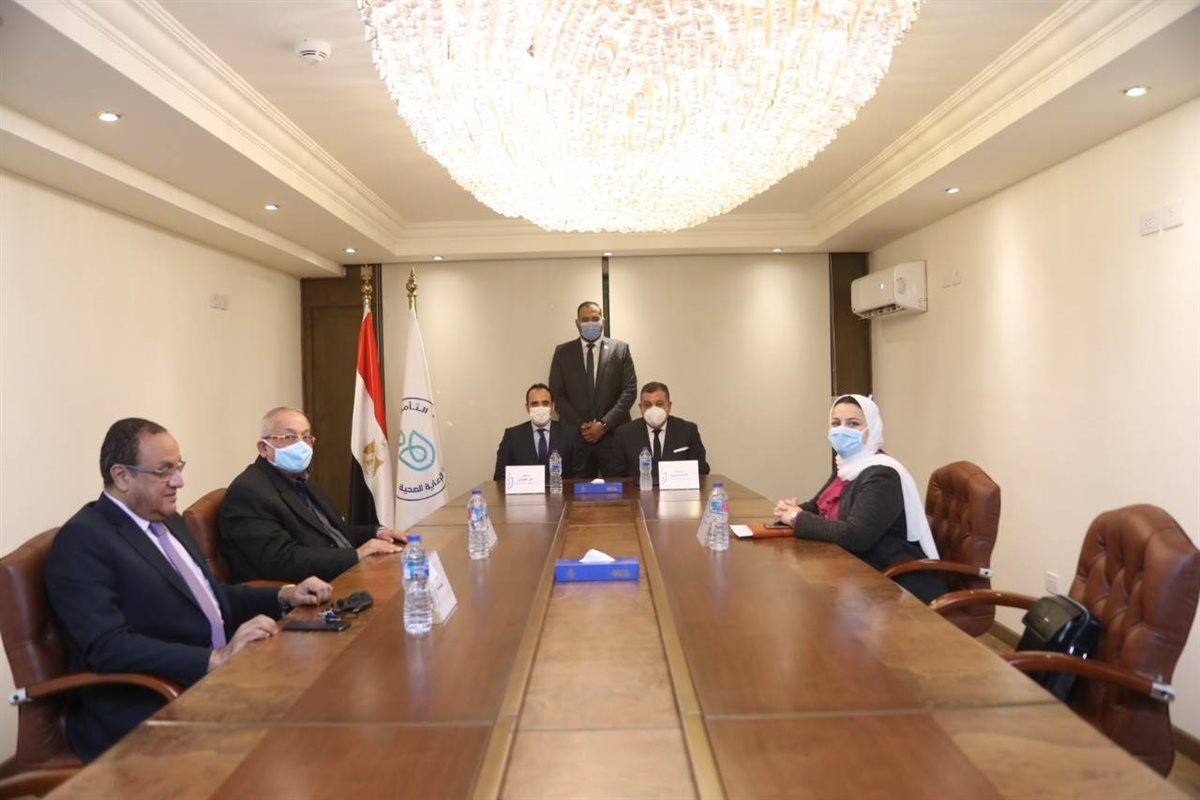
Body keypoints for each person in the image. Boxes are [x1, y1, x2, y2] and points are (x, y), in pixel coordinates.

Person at [44, 418, 333, 762]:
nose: (178, 481)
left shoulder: (168, 519)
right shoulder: (84, 540)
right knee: (291, 741)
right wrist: (214, 659)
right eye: (163, 471)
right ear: (121, 476)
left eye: (178, 466)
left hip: (215, 682)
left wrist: (285, 595)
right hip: (148, 702)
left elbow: (214, 598)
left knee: (320, 694)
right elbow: (108, 647)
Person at [773, 395, 947, 603]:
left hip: (897, 585)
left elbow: (856, 536)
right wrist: (789, 510)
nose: (842, 430)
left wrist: (796, 518)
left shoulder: (882, 474)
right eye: (836, 423)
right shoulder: (847, 466)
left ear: (872, 428)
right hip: (859, 575)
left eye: (853, 424)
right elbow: (818, 507)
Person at [220, 407, 405, 583]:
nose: (301, 445)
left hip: (345, 573)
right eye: (289, 437)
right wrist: (356, 555)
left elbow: (334, 532)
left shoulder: (302, 479)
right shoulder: (249, 491)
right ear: (263, 448)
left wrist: (377, 533)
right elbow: (279, 560)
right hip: (309, 590)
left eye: (306, 437)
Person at [548, 301, 637, 478]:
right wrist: (582, 426)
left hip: (613, 435)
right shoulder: (562, 352)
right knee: (576, 492)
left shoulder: (620, 349)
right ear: (577, 323)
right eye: (585, 319)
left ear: (603, 321)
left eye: (595, 319)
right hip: (576, 437)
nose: (590, 323)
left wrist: (603, 425)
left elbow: (629, 390)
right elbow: (557, 393)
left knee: (618, 490)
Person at [612, 381, 710, 480]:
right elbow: (616, 476)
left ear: (669, 406)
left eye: (659, 404)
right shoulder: (624, 433)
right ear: (641, 408)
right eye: (647, 405)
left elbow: (701, 470)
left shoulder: (688, 430)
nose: (653, 410)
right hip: (639, 489)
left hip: (679, 489)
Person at [492, 383, 581, 480]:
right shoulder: (512, 436)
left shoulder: (570, 434)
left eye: (545, 403)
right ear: (527, 408)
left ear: (552, 406)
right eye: (535, 404)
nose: (540, 408)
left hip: (561, 489)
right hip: (524, 489)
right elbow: (500, 477)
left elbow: (581, 475)